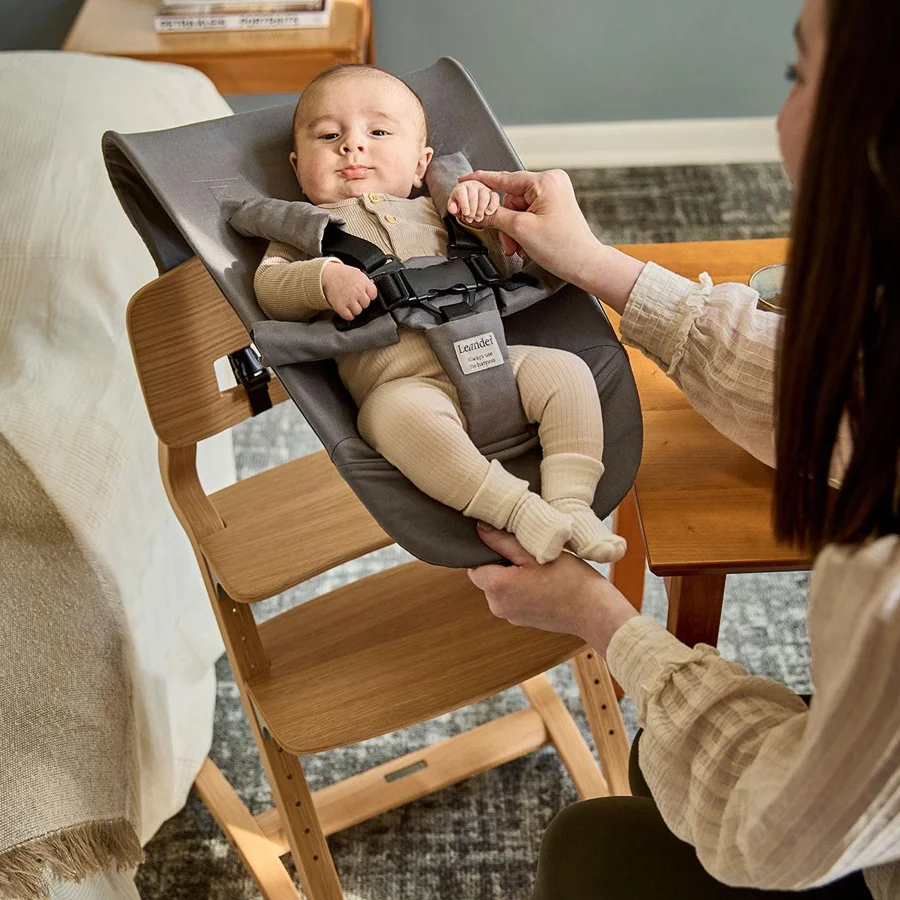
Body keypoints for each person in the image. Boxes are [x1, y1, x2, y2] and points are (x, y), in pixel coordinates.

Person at [465, 0, 899, 897]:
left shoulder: (886, 603)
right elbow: (851, 395)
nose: (780, 117)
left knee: (597, 843)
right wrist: (598, 264)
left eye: (797, 75)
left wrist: (601, 620)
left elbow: (770, 839)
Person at [254, 64, 626, 565]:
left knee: (567, 370)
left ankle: (571, 503)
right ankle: (519, 513)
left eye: (378, 131)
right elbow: (270, 287)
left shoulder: (438, 210)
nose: (352, 146)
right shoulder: (303, 232)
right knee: (389, 419)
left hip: (496, 362)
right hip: (404, 385)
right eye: (329, 135)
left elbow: (508, 261)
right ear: (298, 168)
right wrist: (321, 280)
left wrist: (485, 216)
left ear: (419, 164)